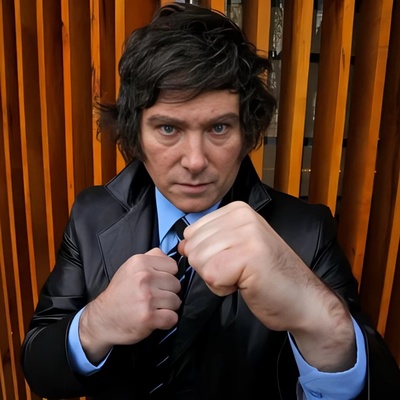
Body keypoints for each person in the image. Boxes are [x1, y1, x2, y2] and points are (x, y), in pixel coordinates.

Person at [21, 3, 400, 399]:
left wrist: (318, 317)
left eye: (219, 127)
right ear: (136, 134)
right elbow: (40, 370)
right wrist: (96, 323)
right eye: (168, 128)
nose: (195, 161)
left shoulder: (307, 231)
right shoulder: (91, 215)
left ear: (246, 131)